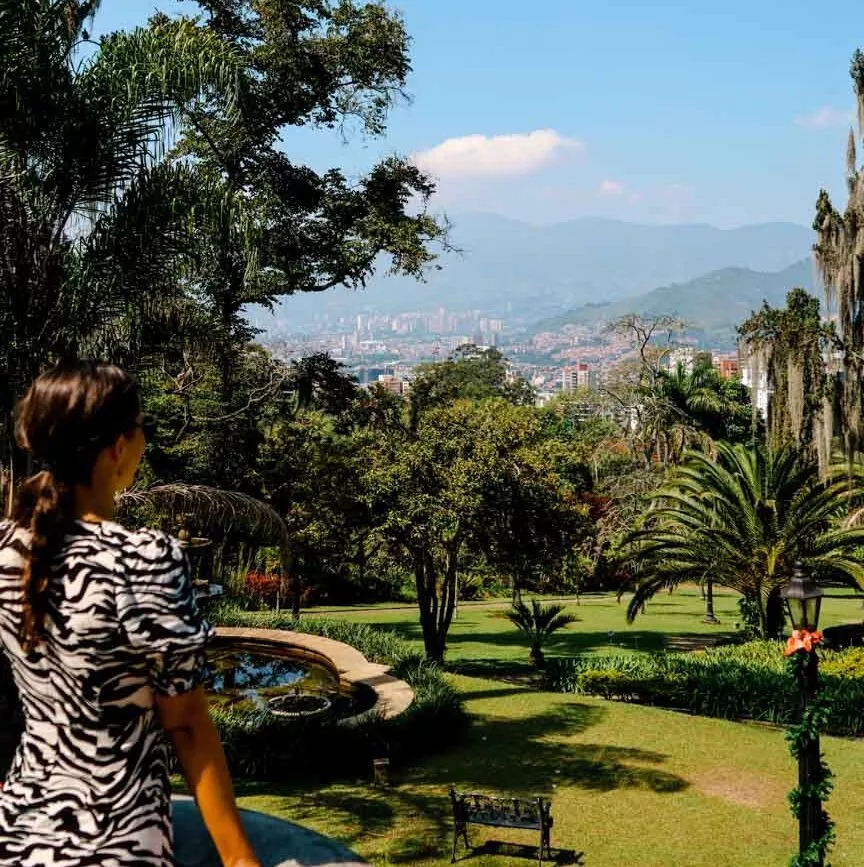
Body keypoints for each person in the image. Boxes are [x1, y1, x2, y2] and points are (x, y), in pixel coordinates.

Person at [0, 363, 260, 867]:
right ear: (119, 446)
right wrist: (240, 859)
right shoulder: (144, 559)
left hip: (21, 830)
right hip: (117, 837)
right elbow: (186, 724)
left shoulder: (8, 549)